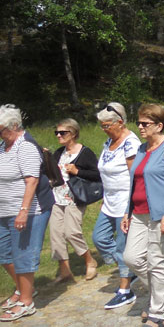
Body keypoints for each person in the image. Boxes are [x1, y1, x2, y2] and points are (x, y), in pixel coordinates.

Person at [121, 103, 164, 327]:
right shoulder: (141, 149)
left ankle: (158, 314)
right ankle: (161, 291)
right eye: (138, 123)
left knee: (156, 260)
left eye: (145, 123)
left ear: (159, 125)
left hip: (162, 214)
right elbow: (134, 182)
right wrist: (127, 212)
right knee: (131, 258)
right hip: (138, 213)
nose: (140, 127)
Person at [0, 104, 54, 321]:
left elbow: (32, 181)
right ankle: (24, 289)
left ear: (14, 126)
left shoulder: (25, 147)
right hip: (6, 210)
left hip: (30, 210)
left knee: (23, 255)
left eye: (1, 131)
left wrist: (23, 211)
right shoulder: (3, 145)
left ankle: (26, 302)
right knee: (0, 251)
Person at [94, 103, 141, 309]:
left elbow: (135, 177)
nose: (104, 129)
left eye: (107, 126)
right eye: (102, 126)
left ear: (120, 122)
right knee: (100, 238)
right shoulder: (109, 142)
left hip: (124, 203)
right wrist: (105, 197)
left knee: (122, 246)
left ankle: (125, 290)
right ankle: (131, 268)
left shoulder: (130, 143)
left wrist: (129, 209)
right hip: (109, 202)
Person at [49, 118, 100, 283]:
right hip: (56, 198)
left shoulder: (85, 153)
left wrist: (77, 171)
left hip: (75, 199)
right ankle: (65, 271)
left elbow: (97, 174)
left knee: (72, 232)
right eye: (57, 133)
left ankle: (90, 261)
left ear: (73, 133)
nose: (58, 135)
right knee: (56, 234)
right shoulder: (59, 153)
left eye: (62, 133)